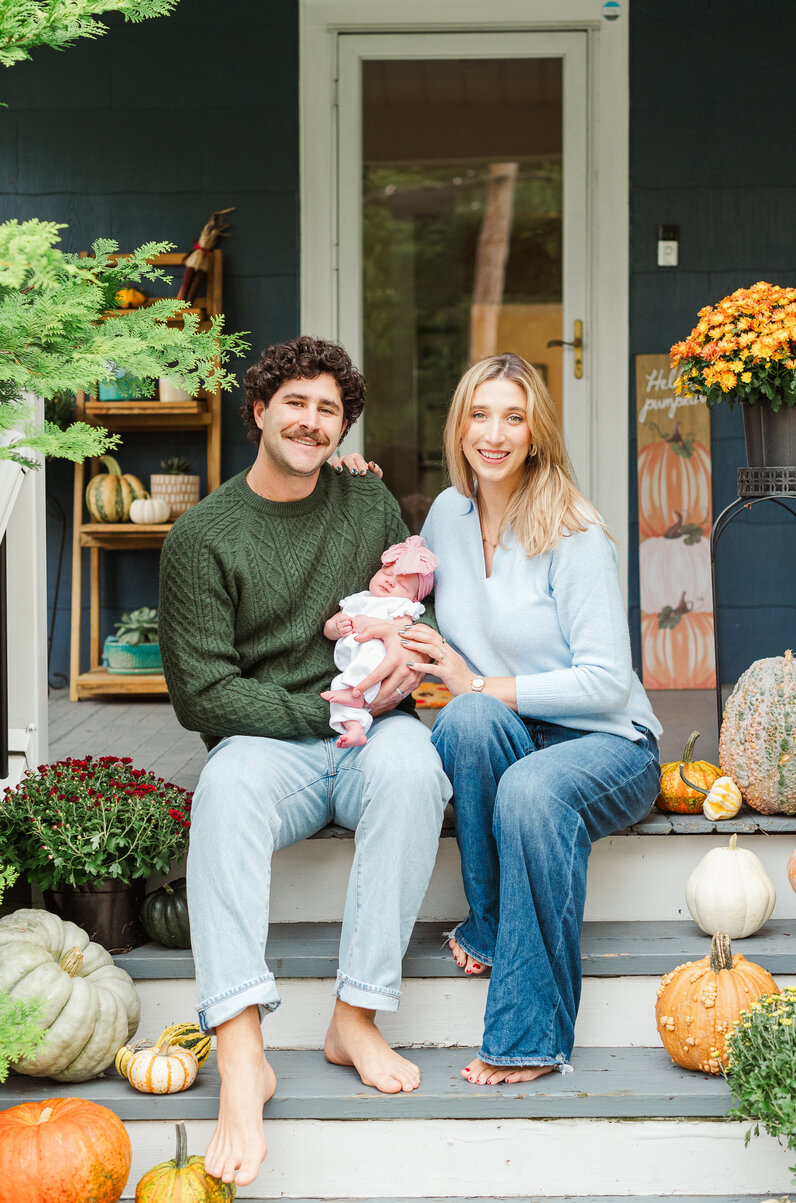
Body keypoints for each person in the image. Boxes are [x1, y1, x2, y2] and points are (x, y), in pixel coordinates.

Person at [158, 336, 451, 1188]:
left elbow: (404, 605)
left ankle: (355, 1015)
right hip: (273, 741)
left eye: (329, 409)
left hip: (369, 731)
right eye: (296, 403)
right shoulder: (202, 537)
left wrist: (406, 664)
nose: (312, 421)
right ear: (259, 410)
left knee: (414, 769)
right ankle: (243, 1052)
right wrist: (323, 713)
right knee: (224, 787)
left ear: (342, 427)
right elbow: (203, 695)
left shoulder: (368, 504)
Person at [396, 352, 662, 1087]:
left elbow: (607, 682)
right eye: (480, 414)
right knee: (466, 724)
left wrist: (477, 678)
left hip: (608, 744)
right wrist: (347, 477)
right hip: (517, 729)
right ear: (459, 426)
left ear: (536, 433)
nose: (494, 433)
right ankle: (487, 922)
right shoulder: (448, 514)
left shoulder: (572, 531)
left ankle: (528, 1035)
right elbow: (407, 584)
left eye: (513, 416)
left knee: (530, 786)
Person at [322, 535, 438, 747]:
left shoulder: (400, 607)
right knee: (338, 688)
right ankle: (355, 729)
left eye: (401, 584)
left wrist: (370, 622)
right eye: (386, 572)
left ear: (413, 599)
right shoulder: (358, 599)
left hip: (377, 661)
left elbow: (402, 631)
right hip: (348, 664)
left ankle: (357, 702)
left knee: (369, 659)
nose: (390, 580)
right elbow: (329, 628)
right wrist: (337, 627)